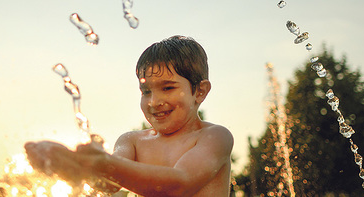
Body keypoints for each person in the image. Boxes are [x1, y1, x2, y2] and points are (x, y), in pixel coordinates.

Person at [25, 35, 234, 196]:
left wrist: (99, 164)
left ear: (200, 91)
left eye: (168, 88)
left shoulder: (213, 137)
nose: (154, 101)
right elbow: (107, 183)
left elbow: (180, 184)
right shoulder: (132, 141)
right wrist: (74, 164)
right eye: (146, 92)